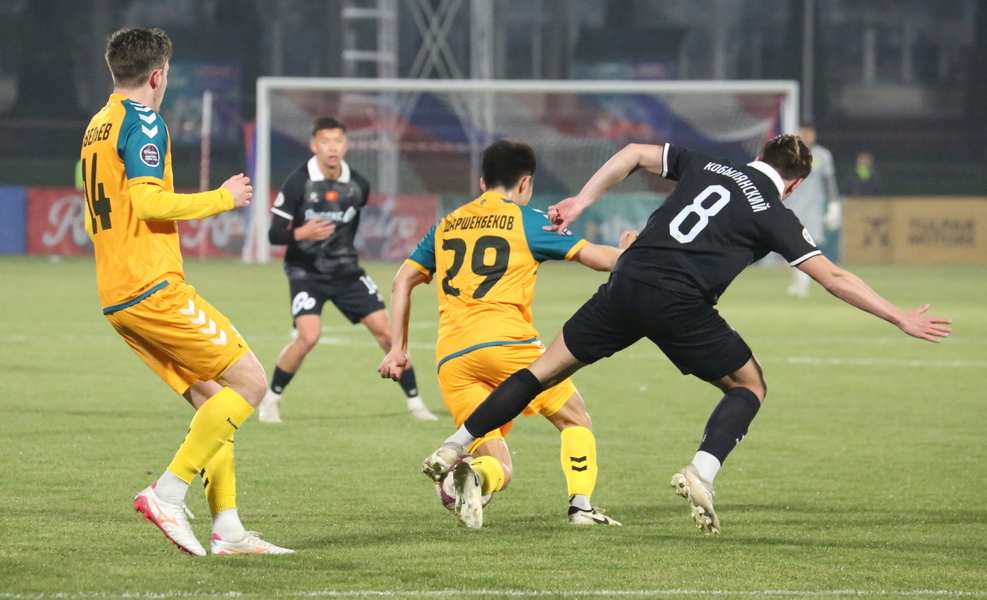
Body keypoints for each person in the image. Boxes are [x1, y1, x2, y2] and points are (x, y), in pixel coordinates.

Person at [422, 135, 952, 535]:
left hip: (627, 282)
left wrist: (581, 201)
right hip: (681, 305)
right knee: (749, 386)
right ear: (794, 185)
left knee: (540, 372)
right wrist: (898, 317)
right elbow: (833, 277)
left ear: (759, 155)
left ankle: (455, 445)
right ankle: (701, 471)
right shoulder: (775, 212)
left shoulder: (708, 163)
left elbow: (633, 153)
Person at [82, 28, 292, 555]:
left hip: (117, 293)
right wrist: (222, 197)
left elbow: (98, 213)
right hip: (152, 287)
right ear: (158, 75)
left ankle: (228, 529)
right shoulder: (143, 120)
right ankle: (167, 492)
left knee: (213, 401)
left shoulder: (97, 124)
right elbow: (149, 203)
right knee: (250, 383)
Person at [379, 140, 632, 528]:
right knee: (575, 420)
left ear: (482, 182)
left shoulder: (446, 224)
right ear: (525, 182)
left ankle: (477, 476)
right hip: (508, 346)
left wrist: (398, 349)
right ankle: (581, 507)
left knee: (496, 461)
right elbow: (599, 260)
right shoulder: (527, 220)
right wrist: (631, 252)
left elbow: (402, 281)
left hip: (453, 358)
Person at [259, 117, 438, 423]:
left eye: (338, 141)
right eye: (325, 141)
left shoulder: (358, 185)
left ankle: (416, 403)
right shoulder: (299, 181)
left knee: (387, 332)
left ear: (346, 145)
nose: (332, 147)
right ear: (314, 145)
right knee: (308, 337)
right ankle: (271, 401)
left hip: (347, 272)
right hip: (306, 273)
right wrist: (302, 233)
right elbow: (274, 234)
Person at [784, 124, 841, 297]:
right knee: (790, 245)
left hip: (814, 209)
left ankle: (802, 283)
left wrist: (833, 204)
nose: (807, 137)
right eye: (803, 134)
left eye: (809, 134)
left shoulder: (822, 155)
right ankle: (799, 281)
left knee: (809, 245)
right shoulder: (788, 154)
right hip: (791, 207)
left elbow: (829, 181)